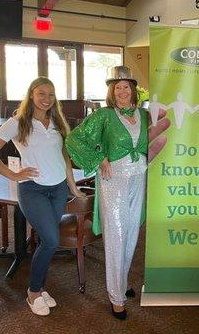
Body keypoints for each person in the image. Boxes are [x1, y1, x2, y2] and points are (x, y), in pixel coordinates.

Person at [0, 77, 85, 316]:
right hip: (32, 188)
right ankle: (33, 292)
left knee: (48, 241)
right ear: (32, 95)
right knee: (51, 240)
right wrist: (11, 174)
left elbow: (64, 157)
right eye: (41, 94)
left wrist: (72, 186)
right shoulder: (19, 122)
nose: (46, 99)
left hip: (57, 188)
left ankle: (40, 287)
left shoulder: (57, 121)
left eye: (51, 94)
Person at [65, 66, 148, 320]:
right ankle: (115, 297)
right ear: (112, 92)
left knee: (132, 232)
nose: (122, 91)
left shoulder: (144, 115)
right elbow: (74, 139)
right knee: (116, 236)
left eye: (126, 87)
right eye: (117, 87)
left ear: (133, 90)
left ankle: (122, 283)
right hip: (114, 181)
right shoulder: (104, 115)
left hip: (139, 177)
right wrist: (99, 158)